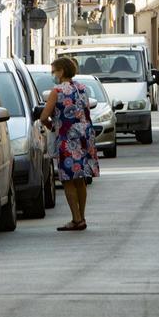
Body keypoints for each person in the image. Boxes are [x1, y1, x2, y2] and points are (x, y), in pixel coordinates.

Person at [39, 57, 100, 231]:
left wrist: (52, 127)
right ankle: (82, 216)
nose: (53, 75)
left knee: (68, 180)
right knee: (80, 178)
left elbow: (44, 116)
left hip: (68, 138)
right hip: (85, 135)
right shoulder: (82, 88)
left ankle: (76, 219)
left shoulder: (57, 91)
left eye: (54, 71)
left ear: (62, 71)